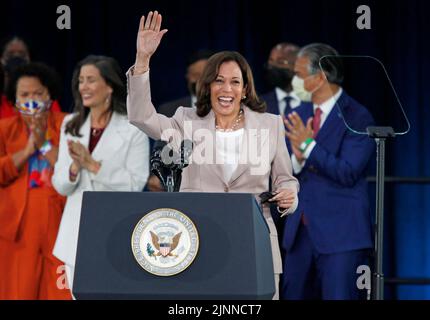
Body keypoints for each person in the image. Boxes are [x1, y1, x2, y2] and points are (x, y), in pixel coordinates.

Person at [126, 11, 299, 299]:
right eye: (219, 81)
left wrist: (289, 195)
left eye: (235, 81)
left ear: (245, 89)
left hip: (254, 243)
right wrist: (142, 59)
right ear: (207, 86)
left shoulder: (270, 125)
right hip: (199, 242)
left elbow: (286, 179)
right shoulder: (187, 121)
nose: (226, 89)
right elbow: (142, 117)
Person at [281, 43, 375, 300]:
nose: (294, 82)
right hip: (300, 232)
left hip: (341, 234)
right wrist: (298, 158)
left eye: (299, 75)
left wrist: (308, 146)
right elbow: (285, 169)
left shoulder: (357, 116)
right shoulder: (296, 113)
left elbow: (347, 172)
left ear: (320, 77)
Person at [52, 55, 150, 291]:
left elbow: (135, 184)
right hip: (74, 236)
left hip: (115, 230)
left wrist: (92, 165)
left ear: (109, 85)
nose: (83, 86)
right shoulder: (71, 124)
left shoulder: (133, 128)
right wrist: (75, 167)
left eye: (91, 80)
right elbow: (59, 185)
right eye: (81, 80)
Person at [0, 62, 71, 299]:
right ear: (14, 99)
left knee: (60, 290)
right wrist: (28, 149)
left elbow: (75, 168)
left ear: (49, 95)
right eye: (25, 95)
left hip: (60, 216)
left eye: (38, 93)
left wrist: (44, 144)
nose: (32, 100)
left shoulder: (67, 124)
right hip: (18, 223)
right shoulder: (4, 130)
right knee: (20, 290)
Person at [147, 49, 213, 192]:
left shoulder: (227, 108)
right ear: (187, 77)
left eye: (204, 76)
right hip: (179, 189)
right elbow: (159, 152)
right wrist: (156, 177)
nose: (199, 80)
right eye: (195, 75)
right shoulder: (170, 110)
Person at [0, 37, 62, 119]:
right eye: (10, 54)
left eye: (22, 54)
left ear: (29, 58)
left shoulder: (47, 100)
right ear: (1, 59)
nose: (16, 57)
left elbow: (56, 125)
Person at [260, 43, 301, 116]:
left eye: (281, 62)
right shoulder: (258, 105)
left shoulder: (314, 101)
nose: (272, 66)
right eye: (271, 61)